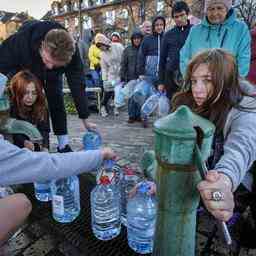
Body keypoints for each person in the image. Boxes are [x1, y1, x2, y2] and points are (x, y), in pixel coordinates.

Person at [172, 48, 256, 222]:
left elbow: (241, 149)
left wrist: (223, 183)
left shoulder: (246, 110)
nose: (197, 89)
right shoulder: (189, 102)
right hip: (205, 169)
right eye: (194, 81)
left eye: (208, 81)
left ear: (225, 81)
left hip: (238, 181)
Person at [0, 20, 96, 153]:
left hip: (51, 75)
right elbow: (1, 66)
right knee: (24, 99)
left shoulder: (70, 51)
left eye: (55, 64)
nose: (50, 66)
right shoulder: (20, 42)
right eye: (48, 61)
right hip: (25, 67)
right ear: (42, 45)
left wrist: (85, 117)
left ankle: (63, 144)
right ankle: (21, 141)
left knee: (56, 98)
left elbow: (77, 83)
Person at [180, 0, 251, 78]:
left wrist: (233, 84)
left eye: (219, 8)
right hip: (200, 86)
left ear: (227, 9)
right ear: (206, 11)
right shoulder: (195, 31)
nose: (215, 13)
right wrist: (191, 80)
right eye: (211, 9)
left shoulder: (240, 29)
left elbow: (243, 60)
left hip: (228, 85)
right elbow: (184, 57)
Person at [158, 1, 192, 100]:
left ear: (187, 14)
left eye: (182, 15)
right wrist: (161, 82)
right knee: (173, 107)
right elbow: (162, 59)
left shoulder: (195, 31)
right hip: (171, 78)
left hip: (189, 76)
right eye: (176, 17)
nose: (179, 19)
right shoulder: (168, 35)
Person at [9, 70, 50, 151]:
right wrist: (23, 142)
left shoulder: (41, 105)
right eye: (26, 92)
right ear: (18, 91)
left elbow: (45, 130)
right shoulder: (10, 105)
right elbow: (11, 130)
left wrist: (45, 147)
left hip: (34, 145)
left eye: (34, 93)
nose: (30, 97)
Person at [137, 16, 166, 127]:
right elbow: (141, 56)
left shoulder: (166, 38)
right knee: (146, 95)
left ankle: (160, 120)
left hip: (162, 73)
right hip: (149, 73)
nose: (159, 27)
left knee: (159, 97)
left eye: (161, 25)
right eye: (157, 25)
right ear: (154, 26)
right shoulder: (147, 39)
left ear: (164, 26)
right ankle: (144, 115)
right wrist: (141, 72)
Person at [95, 33, 124, 117]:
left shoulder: (118, 46)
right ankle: (103, 106)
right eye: (98, 47)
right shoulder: (103, 54)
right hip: (111, 76)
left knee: (118, 91)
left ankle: (116, 106)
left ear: (104, 42)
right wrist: (105, 79)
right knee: (108, 90)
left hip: (120, 73)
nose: (100, 48)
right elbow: (104, 68)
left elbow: (125, 57)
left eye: (101, 45)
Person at [119, 29, 144, 123]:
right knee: (131, 98)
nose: (137, 40)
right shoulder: (127, 49)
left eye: (139, 38)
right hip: (130, 77)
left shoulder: (144, 48)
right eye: (135, 38)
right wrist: (122, 76)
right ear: (132, 39)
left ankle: (139, 115)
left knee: (139, 97)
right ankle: (131, 115)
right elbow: (123, 64)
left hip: (141, 77)